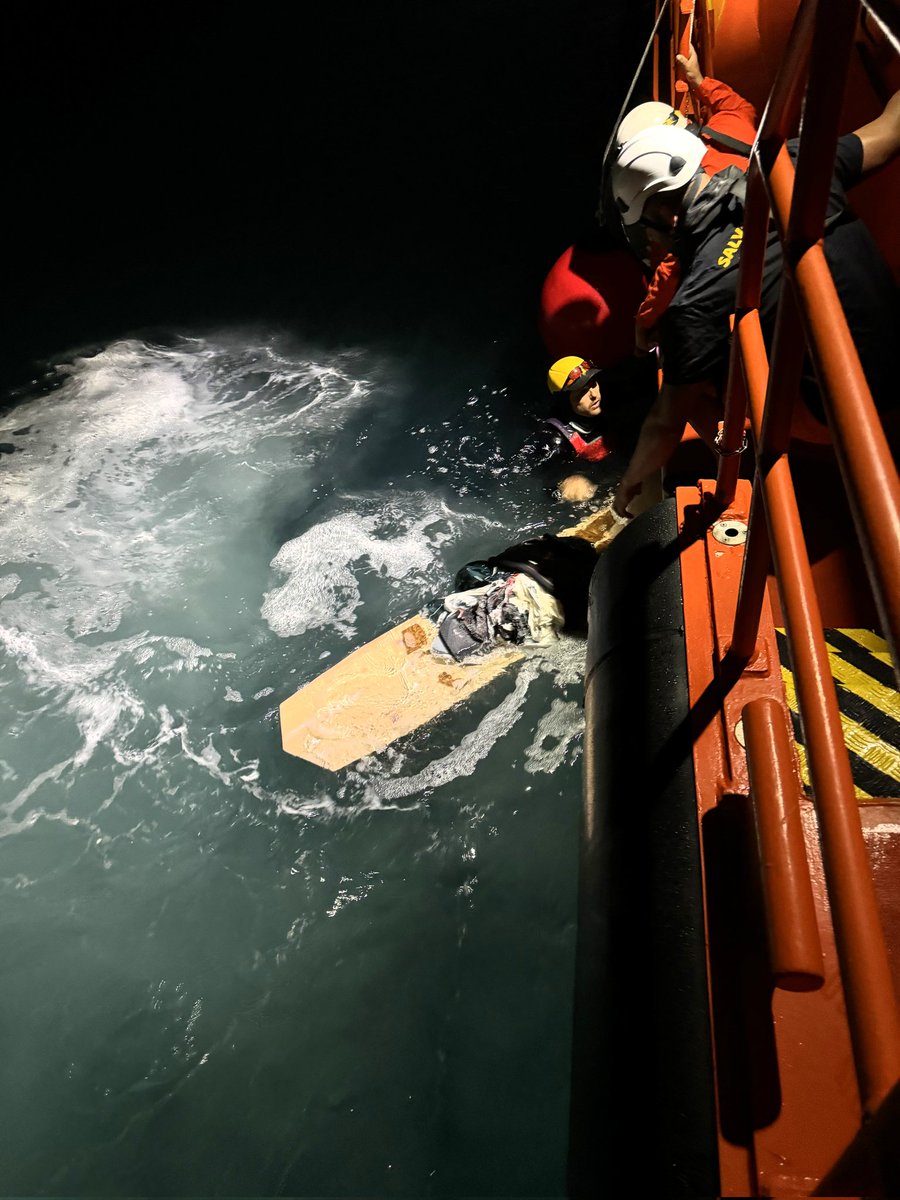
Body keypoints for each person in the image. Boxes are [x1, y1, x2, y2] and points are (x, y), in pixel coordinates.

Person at [608, 87, 900, 518]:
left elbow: (666, 421)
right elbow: (890, 129)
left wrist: (628, 484)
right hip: (895, 346)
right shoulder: (790, 164)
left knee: (697, 378)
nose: (650, 239)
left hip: (850, 417)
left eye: (646, 227)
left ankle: (741, 465)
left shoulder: (695, 299)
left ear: (667, 213)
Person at [616, 44, 758, 354]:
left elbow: (669, 272)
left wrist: (642, 322)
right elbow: (739, 108)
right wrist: (698, 81)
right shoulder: (728, 128)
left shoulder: (685, 209)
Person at [511, 356, 615, 502]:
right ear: (565, 403)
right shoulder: (555, 440)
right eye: (582, 393)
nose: (594, 395)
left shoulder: (608, 402)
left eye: (593, 384)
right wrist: (564, 483)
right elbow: (545, 482)